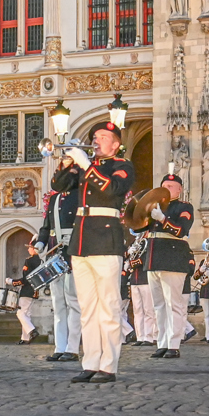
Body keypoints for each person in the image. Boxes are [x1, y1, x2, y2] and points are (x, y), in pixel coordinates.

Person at [53, 118, 135, 383]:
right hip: (82, 240)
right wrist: (67, 163)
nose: (96, 141)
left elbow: (112, 190)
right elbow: (58, 186)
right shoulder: (86, 167)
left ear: (115, 144)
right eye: (95, 137)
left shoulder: (122, 166)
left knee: (108, 306)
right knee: (87, 307)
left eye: (102, 137)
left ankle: (108, 365)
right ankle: (90, 362)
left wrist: (86, 165)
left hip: (106, 239)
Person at [145, 173, 195, 360]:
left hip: (172, 258)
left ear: (180, 189)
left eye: (171, 186)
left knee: (174, 304)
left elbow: (181, 230)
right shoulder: (155, 206)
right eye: (164, 185)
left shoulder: (184, 207)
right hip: (154, 257)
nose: (167, 188)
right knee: (159, 305)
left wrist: (162, 219)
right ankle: (162, 342)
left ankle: (174, 344)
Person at [36, 176, 82, 362]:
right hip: (55, 255)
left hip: (73, 252)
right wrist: (41, 242)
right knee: (58, 304)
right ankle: (59, 346)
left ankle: (72, 348)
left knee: (73, 302)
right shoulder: (55, 199)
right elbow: (46, 227)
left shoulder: (80, 196)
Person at [126, 242, 157, 348]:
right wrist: (129, 254)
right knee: (137, 310)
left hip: (145, 280)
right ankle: (140, 336)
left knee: (148, 310)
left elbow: (143, 260)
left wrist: (130, 263)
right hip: (134, 281)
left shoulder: (148, 244)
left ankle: (149, 337)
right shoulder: (137, 244)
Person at [12, 247, 42, 344]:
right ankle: (25, 338)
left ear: (34, 249)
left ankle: (32, 331)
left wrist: (12, 281)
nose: (28, 250)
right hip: (35, 290)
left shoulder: (29, 261)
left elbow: (26, 279)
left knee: (20, 313)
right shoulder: (41, 261)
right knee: (27, 314)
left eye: (30, 247)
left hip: (27, 290)